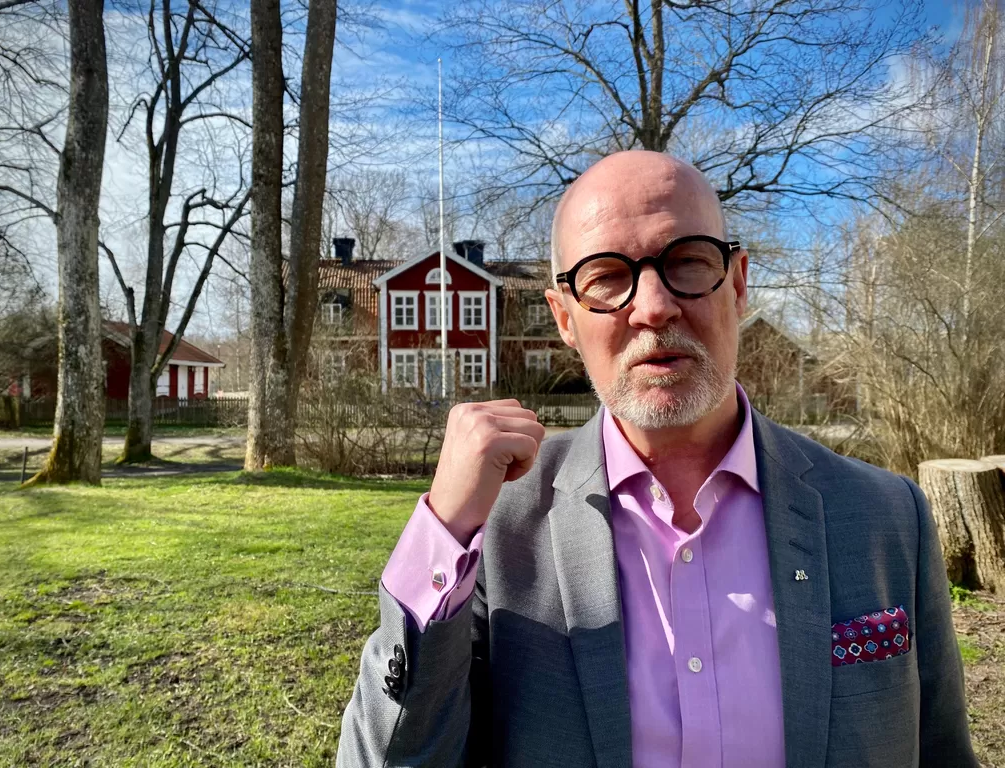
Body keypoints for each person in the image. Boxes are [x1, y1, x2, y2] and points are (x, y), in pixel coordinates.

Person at [336, 151, 976, 767]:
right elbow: (391, 760)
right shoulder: (497, 530)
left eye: (688, 261)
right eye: (607, 276)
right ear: (564, 318)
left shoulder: (887, 518)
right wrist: (444, 531)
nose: (654, 306)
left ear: (738, 284)